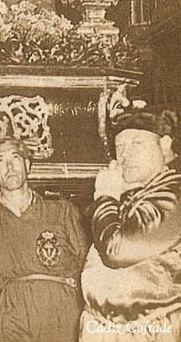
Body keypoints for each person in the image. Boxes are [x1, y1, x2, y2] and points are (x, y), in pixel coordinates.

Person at [0, 137, 88, 342]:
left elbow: (88, 263)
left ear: (27, 165)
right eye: (1, 161)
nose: (10, 166)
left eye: (15, 157)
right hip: (14, 313)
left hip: (62, 310)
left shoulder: (61, 210)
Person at [80, 103, 181, 341]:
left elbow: (117, 252)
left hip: (152, 330)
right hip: (108, 329)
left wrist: (106, 197)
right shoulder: (137, 194)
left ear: (164, 145)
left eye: (137, 144)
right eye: (120, 147)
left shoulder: (173, 193)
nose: (125, 155)